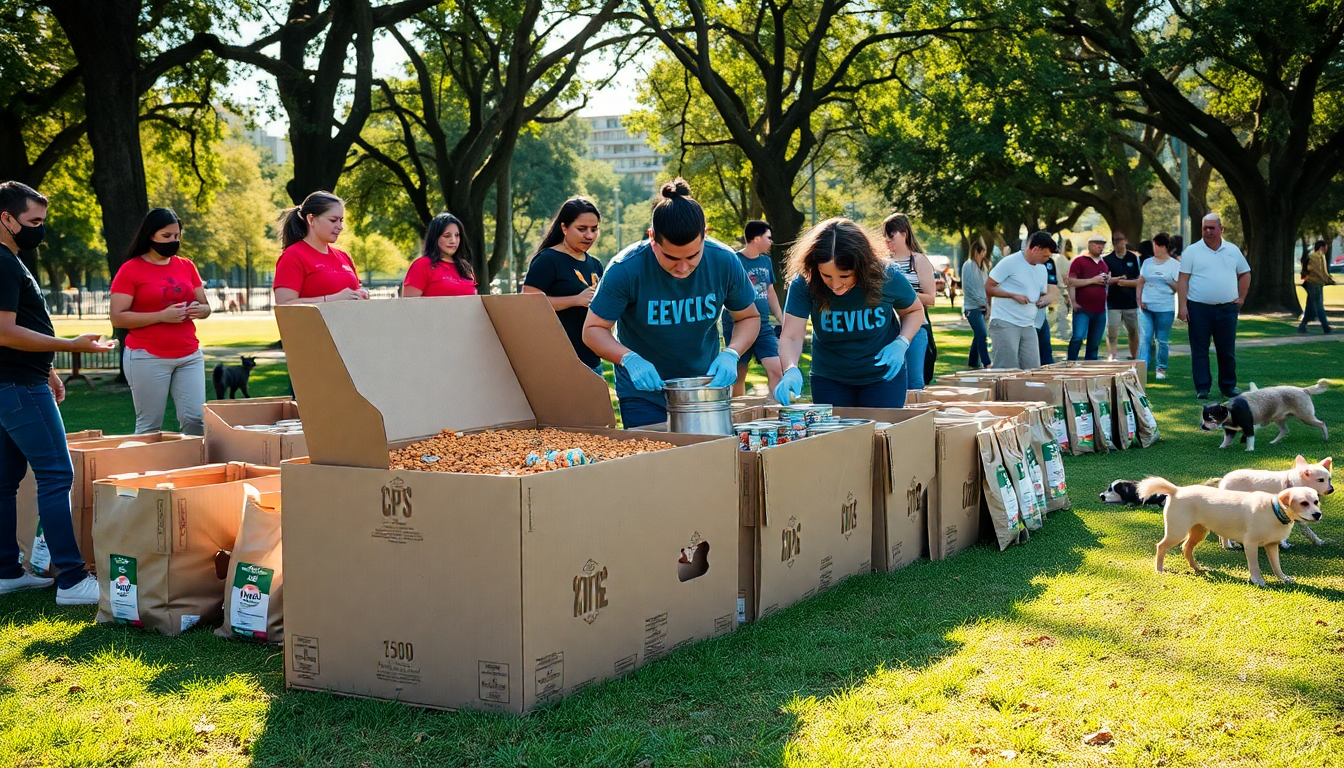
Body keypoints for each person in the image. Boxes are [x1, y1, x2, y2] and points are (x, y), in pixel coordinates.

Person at [0, 181, 110, 604]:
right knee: (57, 475)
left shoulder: (10, 260)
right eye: (33, 221)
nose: (39, 230)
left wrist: (48, 370)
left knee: (6, 481)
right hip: (17, 387)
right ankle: (71, 579)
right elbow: (6, 331)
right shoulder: (4, 263)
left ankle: (8, 572)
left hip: (18, 381)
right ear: (6, 218)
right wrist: (71, 346)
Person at [583, 179, 760, 428]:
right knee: (655, 463)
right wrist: (629, 359)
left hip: (703, 390)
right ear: (652, 237)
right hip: (643, 395)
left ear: (704, 235)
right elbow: (592, 330)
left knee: (703, 462)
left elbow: (748, 317)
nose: (682, 267)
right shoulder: (626, 269)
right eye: (670, 257)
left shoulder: (724, 261)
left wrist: (732, 353)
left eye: (692, 256)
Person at [774, 218, 924, 407]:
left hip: (883, 377)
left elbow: (914, 311)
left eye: (844, 276)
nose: (836, 285)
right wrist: (790, 368)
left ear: (862, 266)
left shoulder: (887, 276)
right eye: (826, 275)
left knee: (880, 434)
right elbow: (791, 336)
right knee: (836, 436)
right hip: (829, 379)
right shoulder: (804, 284)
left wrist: (901, 342)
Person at [110, 208, 211, 436]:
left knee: (197, 421)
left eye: (176, 236)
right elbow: (117, 316)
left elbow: (205, 307)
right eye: (166, 236)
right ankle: (145, 471)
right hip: (148, 356)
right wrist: (160, 316)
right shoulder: (131, 269)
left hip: (189, 355)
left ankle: (194, 470)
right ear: (150, 236)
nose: (173, 241)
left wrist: (200, 310)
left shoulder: (186, 266)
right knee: (149, 426)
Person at [522, 199, 606, 374]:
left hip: (591, 361)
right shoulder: (548, 260)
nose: (589, 235)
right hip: (555, 362)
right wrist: (574, 300)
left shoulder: (596, 265)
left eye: (594, 229)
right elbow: (527, 304)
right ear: (564, 228)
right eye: (582, 229)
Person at [1176, 213, 1250, 399]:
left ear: (1221, 229)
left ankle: (1228, 387)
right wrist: (1182, 306)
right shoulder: (1192, 251)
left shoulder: (1233, 250)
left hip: (1227, 309)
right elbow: (1183, 279)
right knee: (1199, 350)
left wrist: (1241, 298)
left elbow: (1245, 273)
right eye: (1205, 228)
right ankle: (1202, 388)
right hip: (1199, 308)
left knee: (1226, 350)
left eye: (1212, 228)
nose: (1208, 231)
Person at [720, 220, 784, 397]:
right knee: (739, 374)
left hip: (763, 325)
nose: (771, 242)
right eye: (768, 237)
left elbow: (770, 292)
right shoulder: (734, 260)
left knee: (776, 368)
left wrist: (782, 319)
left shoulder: (766, 262)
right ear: (756, 239)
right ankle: (739, 415)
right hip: (737, 324)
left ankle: (775, 411)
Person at [273, 191, 369, 306]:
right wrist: (333, 299)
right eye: (333, 220)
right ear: (311, 219)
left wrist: (362, 295)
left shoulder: (344, 257)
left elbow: (354, 295)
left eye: (341, 220)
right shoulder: (293, 256)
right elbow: (285, 305)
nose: (340, 227)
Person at [984, 231, 1056, 370]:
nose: (1047, 259)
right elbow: (988, 287)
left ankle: (1026, 392)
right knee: (1007, 369)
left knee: (1032, 369)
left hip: (1029, 324)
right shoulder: (1010, 262)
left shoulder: (1042, 269)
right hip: (1006, 322)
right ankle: (1003, 392)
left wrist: (1045, 299)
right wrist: (1012, 295)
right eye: (1045, 255)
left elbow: (1042, 292)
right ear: (1035, 249)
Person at [884, 213, 936, 390]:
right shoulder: (883, 263)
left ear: (904, 233)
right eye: (884, 235)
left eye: (891, 234)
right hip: (887, 330)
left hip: (916, 328)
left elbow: (930, 298)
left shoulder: (919, 260)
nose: (886, 240)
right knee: (889, 382)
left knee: (914, 382)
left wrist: (902, 294)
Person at [1136, 232, 1180, 380]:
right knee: (1145, 338)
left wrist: (1168, 280)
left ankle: (1161, 369)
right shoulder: (1147, 263)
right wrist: (1139, 300)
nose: (1154, 248)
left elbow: (1178, 288)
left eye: (1156, 245)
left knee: (1162, 340)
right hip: (1146, 306)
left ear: (1163, 247)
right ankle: (1141, 368)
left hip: (1165, 308)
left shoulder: (1174, 265)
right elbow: (1140, 282)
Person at [403, 212, 477, 298]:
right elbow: (408, 307)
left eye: (457, 235)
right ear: (435, 237)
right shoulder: (421, 265)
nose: (453, 240)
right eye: (447, 235)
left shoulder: (465, 267)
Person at [1067, 235, 1110, 360]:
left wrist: (1107, 280)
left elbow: (1104, 284)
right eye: (1097, 244)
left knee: (1094, 343)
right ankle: (1070, 363)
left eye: (1102, 244)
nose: (1100, 246)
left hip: (1100, 310)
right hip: (1082, 309)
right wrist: (1073, 302)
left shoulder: (1103, 264)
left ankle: (1090, 368)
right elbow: (1071, 282)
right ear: (1089, 245)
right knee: (1078, 337)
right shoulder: (1079, 261)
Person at [1103, 231, 1141, 360]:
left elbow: (1138, 280)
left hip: (1130, 301)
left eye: (1119, 239)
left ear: (1125, 240)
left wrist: (1122, 282)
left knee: (1133, 331)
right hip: (1113, 302)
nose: (1117, 243)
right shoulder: (1107, 259)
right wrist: (1119, 280)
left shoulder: (1133, 258)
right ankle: (1112, 356)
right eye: (1114, 240)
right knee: (1112, 332)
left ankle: (1134, 356)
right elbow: (1105, 280)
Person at [961, 240, 993, 369]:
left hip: (982, 306)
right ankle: (987, 362)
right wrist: (983, 302)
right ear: (981, 252)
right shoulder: (969, 266)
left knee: (978, 335)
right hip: (972, 308)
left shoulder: (983, 267)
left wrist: (987, 303)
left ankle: (973, 362)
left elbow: (985, 286)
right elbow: (970, 288)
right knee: (982, 334)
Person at [1299, 239, 1334, 334]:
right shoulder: (1316, 257)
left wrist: (1328, 279)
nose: (1326, 249)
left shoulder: (1319, 256)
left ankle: (1302, 325)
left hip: (1316, 283)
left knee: (1310, 306)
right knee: (1319, 305)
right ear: (1321, 247)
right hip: (1314, 284)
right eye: (1325, 247)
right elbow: (1318, 271)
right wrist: (1327, 279)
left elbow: (1322, 271)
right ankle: (1325, 327)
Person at [1036, 241, 1062, 365]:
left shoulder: (1049, 263)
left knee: (1046, 351)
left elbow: (1053, 286)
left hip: (1040, 313)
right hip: (1024, 316)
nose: (1049, 256)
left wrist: (1048, 298)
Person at [1053, 239, 1073, 341]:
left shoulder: (1055, 259)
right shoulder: (1063, 260)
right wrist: (1066, 294)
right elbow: (1064, 279)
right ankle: (1063, 333)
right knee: (1062, 313)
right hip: (1060, 290)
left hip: (1056, 290)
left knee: (1061, 314)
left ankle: (1062, 333)